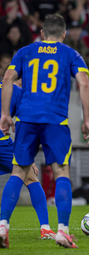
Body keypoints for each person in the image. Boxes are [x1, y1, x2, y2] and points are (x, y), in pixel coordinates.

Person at [0, 14, 89, 248]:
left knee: (18, 172)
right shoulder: (70, 53)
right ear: (63, 34)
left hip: (26, 118)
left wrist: (5, 114)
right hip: (55, 120)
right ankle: (62, 231)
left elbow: (8, 78)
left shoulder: (24, 52)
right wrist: (87, 119)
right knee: (61, 171)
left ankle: (2, 226)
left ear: (41, 34)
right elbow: (83, 83)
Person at [0, 77, 55, 245]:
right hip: (2, 144)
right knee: (30, 178)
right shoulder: (21, 94)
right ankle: (45, 228)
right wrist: (26, 156)